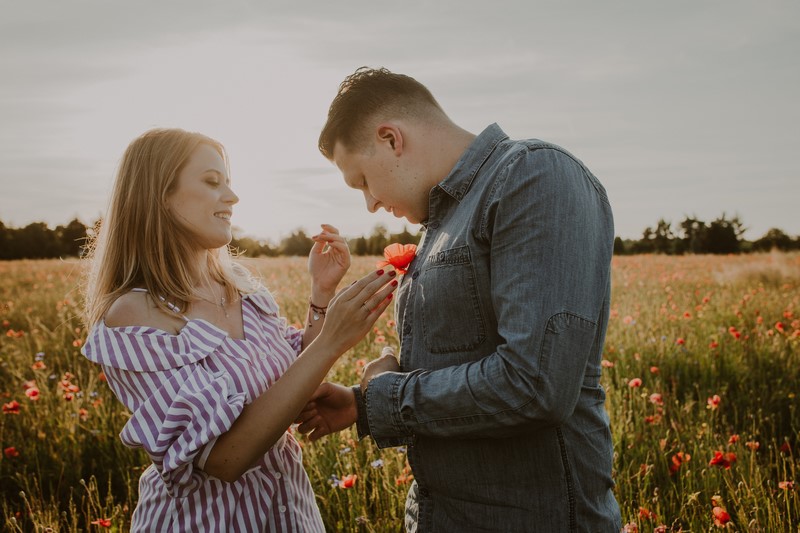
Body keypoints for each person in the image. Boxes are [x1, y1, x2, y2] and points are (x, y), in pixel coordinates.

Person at [297, 67, 622, 532]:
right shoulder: (440, 223)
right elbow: (465, 362)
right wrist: (357, 403)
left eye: (363, 181)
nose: (369, 203)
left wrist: (382, 400)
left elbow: (535, 384)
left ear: (391, 139)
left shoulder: (532, 176)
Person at [81, 128, 397, 532]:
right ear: (158, 195)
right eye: (212, 182)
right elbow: (225, 459)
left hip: (290, 515)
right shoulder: (134, 313)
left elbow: (293, 375)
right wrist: (333, 339)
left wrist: (322, 293)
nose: (232, 197)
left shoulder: (240, 288)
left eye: (228, 182)